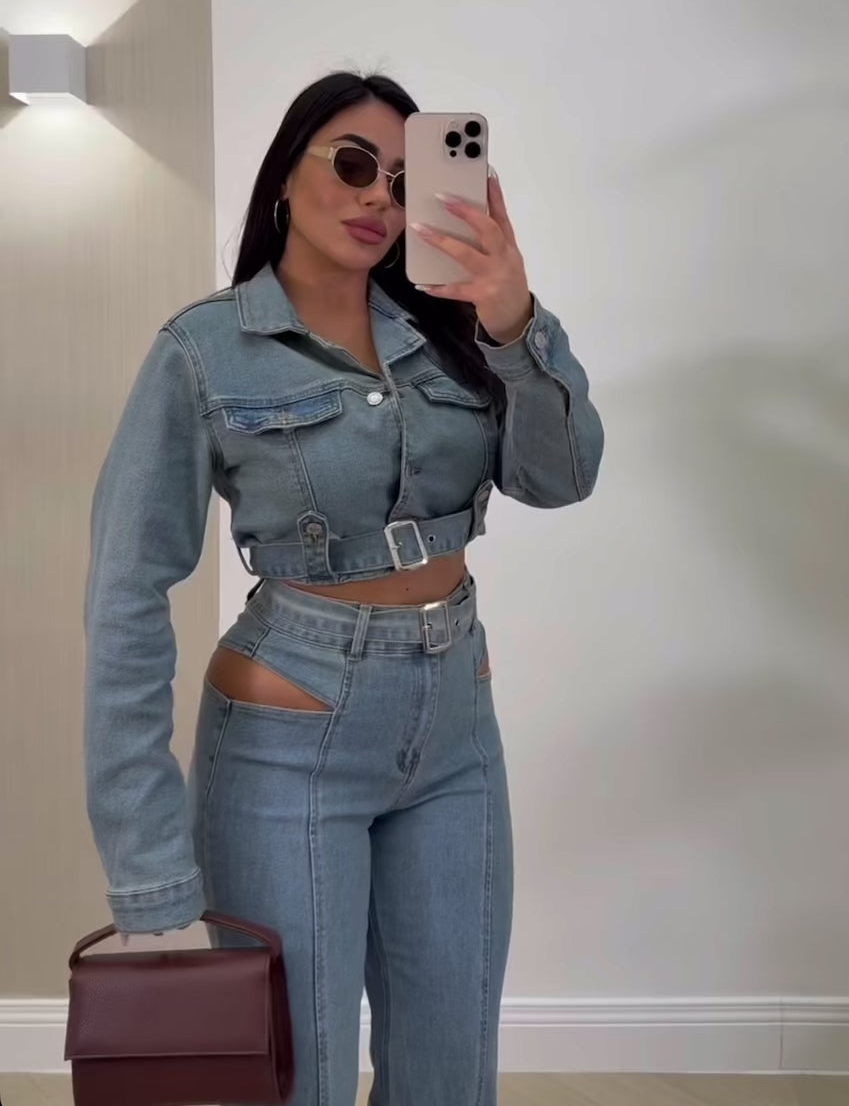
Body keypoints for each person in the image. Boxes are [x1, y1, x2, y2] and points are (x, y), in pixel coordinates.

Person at [83, 71, 605, 1106]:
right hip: (287, 746)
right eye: (356, 164)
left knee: (449, 1075)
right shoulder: (203, 350)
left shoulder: (452, 331)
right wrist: (148, 867)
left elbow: (562, 476)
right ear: (286, 174)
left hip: (455, 732)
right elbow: (126, 598)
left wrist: (513, 320)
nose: (379, 198)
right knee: (298, 1077)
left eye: (406, 181)